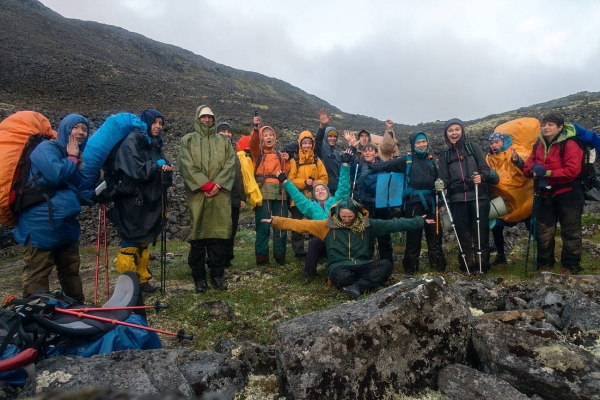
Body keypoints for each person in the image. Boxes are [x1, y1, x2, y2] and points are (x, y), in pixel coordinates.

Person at [261, 198, 430, 300]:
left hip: (362, 264)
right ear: (337, 213)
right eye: (344, 216)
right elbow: (301, 224)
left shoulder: (367, 225)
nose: (347, 219)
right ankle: (361, 284)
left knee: (385, 264)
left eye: (350, 216)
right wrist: (275, 221)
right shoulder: (325, 225)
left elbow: (392, 225)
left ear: (356, 213)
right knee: (343, 277)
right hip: (338, 265)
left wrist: (418, 221)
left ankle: (359, 287)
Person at [14, 114, 93, 302]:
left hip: (64, 225)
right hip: (40, 226)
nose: (81, 132)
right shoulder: (46, 149)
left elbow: (77, 188)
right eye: (77, 127)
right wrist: (73, 158)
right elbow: (56, 176)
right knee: (38, 272)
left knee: (71, 271)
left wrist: (101, 189)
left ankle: (79, 310)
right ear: (65, 128)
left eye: (85, 129)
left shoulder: (71, 154)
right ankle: (36, 318)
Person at [106, 109, 175, 295]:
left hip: (148, 200)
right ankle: (128, 284)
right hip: (131, 200)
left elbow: (161, 168)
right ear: (145, 122)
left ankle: (142, 281)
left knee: (143, 241)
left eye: (161, 123)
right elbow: (135, 169)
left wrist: (166, 170)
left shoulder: (155, 144)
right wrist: (157, 166)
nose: (159, 127)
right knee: (130, 240)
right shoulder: (132, 140)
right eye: (155, 123)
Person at [358, 131, 447, 274]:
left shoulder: (430, 161)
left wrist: (440, 193)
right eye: (418, 142)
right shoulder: (406, 160)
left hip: (431, 202)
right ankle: (411, 272)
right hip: (413, 204)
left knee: (435, 237)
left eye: (424, 141)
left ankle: (438, 270)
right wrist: (369, 170)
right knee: (414, 238)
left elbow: (437, 180)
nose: (422, 144)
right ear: (413, 144)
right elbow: (386, 166)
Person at [179, 105, 235, 293]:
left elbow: (230, 163)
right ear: (198, 118)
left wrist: (217, 184)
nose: (207, 120)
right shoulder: (188, 140)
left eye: (210, 117)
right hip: (199, 195)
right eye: (203, 117)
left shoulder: (224, 142)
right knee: (199, 235)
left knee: (218, 236)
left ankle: (217, 274)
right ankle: (199, 277)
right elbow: (186, 165)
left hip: (220, 195)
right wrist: (205, 185)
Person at [276, 149, 353, 279]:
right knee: (315, 242)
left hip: (339, 242)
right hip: (323, 243)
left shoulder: (337, 201)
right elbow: (298, 198)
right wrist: (285, 182)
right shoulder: (311, 207)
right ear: (314, 195)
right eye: (317, 190)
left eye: (323, 189)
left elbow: (344, 188)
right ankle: (309, 274)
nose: (320, 191)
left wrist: (345, 164)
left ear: (329, 192)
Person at [522, 112, 584, 275]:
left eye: (550, 124)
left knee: (570, 231)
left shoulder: (570, 144)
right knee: (544, 232)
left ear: (560, 127)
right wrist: (533, 171)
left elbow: (572, 170)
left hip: (568, 193)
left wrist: (547, 173)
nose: (546, 127)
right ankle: (544, 265)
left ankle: (571, 266)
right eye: (544, 124)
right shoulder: (538, 145)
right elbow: (527, 168)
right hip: (544, 194)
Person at [436, 119, 491, 275]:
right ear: (446, 134)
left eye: (457, 129)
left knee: (481, 233)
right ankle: (467, 267)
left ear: (462, 131)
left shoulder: (472, 147)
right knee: (463, 235)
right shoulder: (445, 155)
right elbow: (444, 178)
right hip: (457, 200)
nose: (454, 133)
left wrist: (481, 176)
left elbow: (485, 169)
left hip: (478, 197)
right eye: (450, 130)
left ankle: (482, 268)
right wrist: (441, 183)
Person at [250, 114, 291, 266]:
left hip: (280, 194)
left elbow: (287, 173)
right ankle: (262, 258)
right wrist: (256, 128)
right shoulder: (257, 154)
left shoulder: (281, 155)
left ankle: (280, 256)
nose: (268, 138)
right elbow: (253, 143)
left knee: (281, 225)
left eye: (271, 135)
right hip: (264, 192)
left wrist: (288, 160)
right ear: (261, 139)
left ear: (275, 138)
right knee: (263, 226)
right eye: (265, 135)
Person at [486, 132, 529, 266]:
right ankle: (500, 255)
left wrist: (517, 161)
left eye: (497, 142)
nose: (494, 145)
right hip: (501, 200)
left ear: (503, 142)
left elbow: (526, 165)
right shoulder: (488, 159)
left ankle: (543, 254)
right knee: (496, 227)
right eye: (492, 143)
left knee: (532, 225)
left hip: (521, 198)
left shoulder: (515, 152)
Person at [287, 131, 328, 258]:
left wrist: (316, 183)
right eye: (304, 143)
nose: (307, 146)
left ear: (312, 144)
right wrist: (304, 183)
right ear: (300, 144)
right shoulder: (295, 160)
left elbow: (324, 178)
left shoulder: (317, 160)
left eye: (309, 143)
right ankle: (299, 251)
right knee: (297, 224)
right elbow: (291, 179)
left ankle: (315, 250)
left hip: (314, 198)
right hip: (298, 198)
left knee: (315, 225)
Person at [351, 143, 393, 265]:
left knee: (384, 234)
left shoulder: (384, 166)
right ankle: (366, 264)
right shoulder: (358, 166)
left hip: (382, 204)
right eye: (365, 151)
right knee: (366, 235)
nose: (367, 153)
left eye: (370, 151)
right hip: (365, 205)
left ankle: (387, 263)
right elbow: (350, 170)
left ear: (376, 152)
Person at [215, 121, 247, 267]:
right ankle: (216, 258)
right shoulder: (214, 152)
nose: (227, 134)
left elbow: (239, 177)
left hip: (234, 199)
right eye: (223, 131)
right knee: (219, 229)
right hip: (219, 198)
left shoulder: (235, 154)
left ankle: (227, 258)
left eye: (229, 132)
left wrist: (242, 197)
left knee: (231, 229)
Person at [315, 108, 342, 195]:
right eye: (330, 136)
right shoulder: (321, 149)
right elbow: (318, 141)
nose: (333, 138)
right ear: (325, 136)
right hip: (325, 190)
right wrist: (322, 127)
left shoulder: (337, 154)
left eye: (335, 136)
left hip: (337, 190)